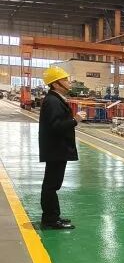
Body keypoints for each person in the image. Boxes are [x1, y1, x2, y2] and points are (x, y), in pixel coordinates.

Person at [37, 65, 83, 230]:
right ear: (56, 84)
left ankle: (52, 216)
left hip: (56, 149)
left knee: (52, 184)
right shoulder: (53, 101)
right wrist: (75, 120)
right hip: (56, 149)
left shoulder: (55, 99)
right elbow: (56, 126)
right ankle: (50, 220)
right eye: (65, 79)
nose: (68, 82)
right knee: (51, 186)